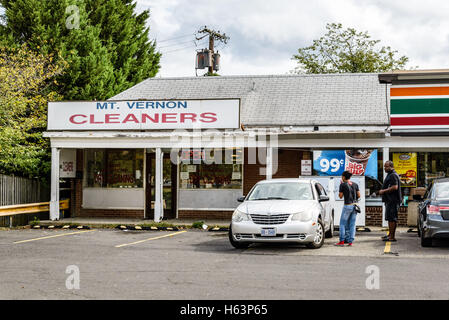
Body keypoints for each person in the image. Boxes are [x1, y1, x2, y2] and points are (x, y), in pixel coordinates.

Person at [335, 171, 361, 247]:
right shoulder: (355, 184)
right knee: (352, 224)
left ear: (343, 177)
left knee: (342, 224)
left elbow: (340, 196)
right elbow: (359, 195)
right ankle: (350, 242)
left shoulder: (342, 185)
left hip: (347, 206)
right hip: (354, 206)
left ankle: (342, 241)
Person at [379, 161, 402, 242]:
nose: (384, 168)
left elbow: (395, 187)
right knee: (389, 218)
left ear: (391, 166)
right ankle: (390, 235)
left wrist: (383, 191)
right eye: (384, 166)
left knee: (392, 219)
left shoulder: (393, 175)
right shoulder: (390, 174)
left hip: (393, 200)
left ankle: (392, 237)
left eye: (386, 166)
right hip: (390, 200)